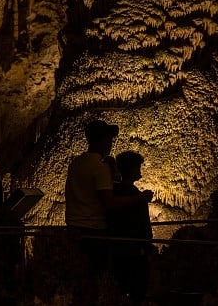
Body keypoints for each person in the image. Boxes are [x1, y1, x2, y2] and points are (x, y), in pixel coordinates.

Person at [65, 120, 153, 279]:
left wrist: (112, 169)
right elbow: (109, 202)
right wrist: (140, 198)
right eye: (109, 139)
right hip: (94, 232)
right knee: (96, 277)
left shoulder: (75, 163)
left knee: (78, 278)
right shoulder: (100, 167)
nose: (111, 143)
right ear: (103, 141)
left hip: (72, 228)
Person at [108, 151, 153, 305]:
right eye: (138, 167)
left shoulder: (114, 193)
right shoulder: (135, 196)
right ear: (133, 169)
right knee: (137, 292)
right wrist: (146, 246)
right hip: (133, 252)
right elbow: (142, 224)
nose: (140, 170)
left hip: (117, 250)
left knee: (120, 290)